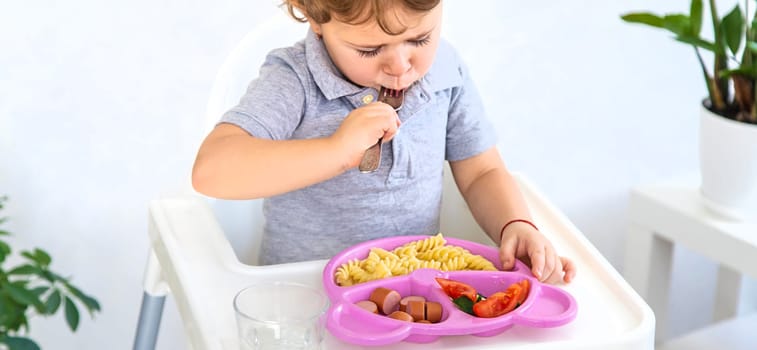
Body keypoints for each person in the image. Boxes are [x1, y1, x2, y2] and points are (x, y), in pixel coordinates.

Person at [192, 0, 576, 284]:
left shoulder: (445, 71)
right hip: (304, 292)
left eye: (420, 38)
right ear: (313, 17)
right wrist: (335, 152)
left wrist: (515, 224)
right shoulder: (294, 80)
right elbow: (212, 172)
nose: (400, 65)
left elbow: (482, 171)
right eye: (370, 49)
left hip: (418, 289)